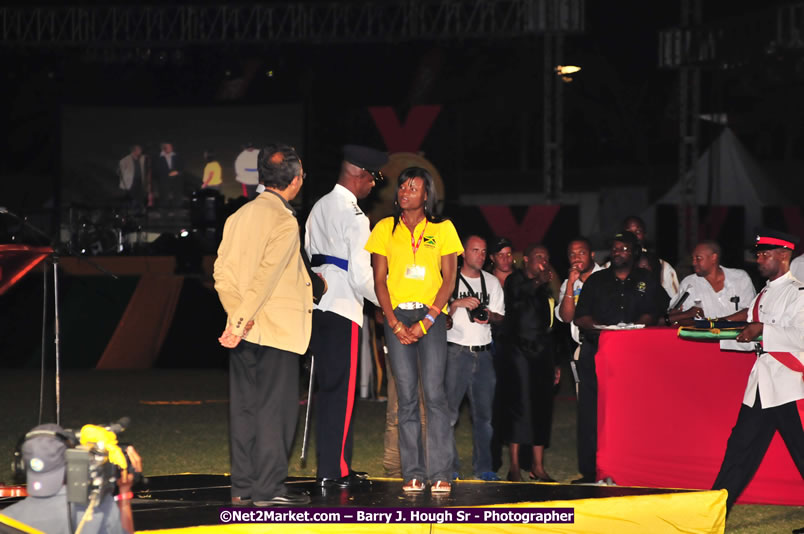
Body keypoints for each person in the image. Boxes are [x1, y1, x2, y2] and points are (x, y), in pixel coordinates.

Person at [213, 143, 314, 507]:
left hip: (242, 330)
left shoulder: (238, 216)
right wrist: (240, 321)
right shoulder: (284, 220)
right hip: (274, 330)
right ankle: (267, 490)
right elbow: (266, 277)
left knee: (245, 409)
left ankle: (242, 486)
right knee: (275, 412)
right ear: (295, 181)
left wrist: (236, 318)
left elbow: (221, 274)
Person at [365, 166, 462, 494]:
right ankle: (414, 473)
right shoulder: (384, 228)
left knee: (434, 396)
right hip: (396, 318)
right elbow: (379, 280)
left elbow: (449, 279)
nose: (405, 191)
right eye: (402, 186)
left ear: (426, 195)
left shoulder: (444, 229)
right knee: (405, 398)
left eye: (413, 187)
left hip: (431, 319)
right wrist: (393, 322)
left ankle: (441, 473)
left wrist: (428, 320)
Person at [304, 144, 387, 488]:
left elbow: (309, 255)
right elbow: (361, 276)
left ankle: (334, 466)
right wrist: (387, 302)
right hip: (343, 309)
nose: (373, 186)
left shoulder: (318, 207)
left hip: (318, 307)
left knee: (329, 390)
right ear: (359, 175)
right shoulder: (356, 217)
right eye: (372, 179)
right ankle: (334, 471)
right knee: (343, 393)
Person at [712, 229, 804, 512]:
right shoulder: (763, 294)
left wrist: (762, 329)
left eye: (765, 254)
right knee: (739, 450)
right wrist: (715, 332)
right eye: (758, 254)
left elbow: (800, 335)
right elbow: (751, 336)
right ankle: (712, 512)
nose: (759, 259)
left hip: (790, 387)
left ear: (784, 256)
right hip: (763, 385)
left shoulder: (798, 293)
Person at [572, 231, 662, 484]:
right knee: (591, 413)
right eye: (614, 248)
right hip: (597, 353)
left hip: (634, 357)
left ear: (634, 252)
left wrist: (632, 330)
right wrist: (605, 329)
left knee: (632, 414)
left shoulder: (647, 279)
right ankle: (590, 471)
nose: (618, 252)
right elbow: (581, 317)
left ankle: (630, 467)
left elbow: (655, 313)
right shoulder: (597, 281)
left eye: (624, 248)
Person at [0, 424, 142, 534]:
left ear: (20, 466)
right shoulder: (99, 512)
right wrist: (124, 495)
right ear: (73, 463)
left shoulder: (5, 520)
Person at [445, 235, 505, 481]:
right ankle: (449, 468)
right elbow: (435, 313)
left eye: (483, 251)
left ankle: (484, 468)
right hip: (455, 352)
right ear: (463, 253)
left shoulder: (491, 282)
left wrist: (490, 316)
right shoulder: (448, 280)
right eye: (475, 250)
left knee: (485, 417)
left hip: (483, 354)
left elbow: (501, 316)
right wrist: (456, 303)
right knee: (448, 415)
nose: (480, 255)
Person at [501, 244, 559, 482]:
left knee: (542, 408)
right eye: (538, 257)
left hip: (542, 353)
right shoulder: (515, 280)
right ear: (526, 260)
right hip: (518, 353)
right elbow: (516, 302)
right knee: (519, 406)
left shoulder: (546, 289)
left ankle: (537, 466)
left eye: (546, 257)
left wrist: (555, 362)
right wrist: (537, 282)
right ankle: (514, 467)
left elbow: (551, 327)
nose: (543, 261)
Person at [666, 240, 755, 326]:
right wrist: (691, 317)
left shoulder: (740, 277)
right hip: (705, 339)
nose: (693, 263)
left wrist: (718, 323)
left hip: (737, 339)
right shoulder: (689, 283)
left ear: (713, 258)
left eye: (698, 258)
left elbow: (751, 311)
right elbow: (675, 317)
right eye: (692, 258)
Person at [556, 237, 604, 346]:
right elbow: (566, 317)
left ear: (592, 254)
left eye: (582, 253)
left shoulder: (606, 277)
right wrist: (570, 284)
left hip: (605, 342)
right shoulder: (568, 284)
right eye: (572, 255)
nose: (576, 258)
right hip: (582, 346)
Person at [622, 215, 680, 300]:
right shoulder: (608, 267)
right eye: (628, 231)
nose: (633, 236)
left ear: (645, 235)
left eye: (638, 231)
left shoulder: (664, 268)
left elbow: (676, 303)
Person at [117, 144, 147, 212]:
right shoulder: (125, 160)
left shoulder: (142, 158)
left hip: (140, 181)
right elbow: (119, 171)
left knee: (140, 197)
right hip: (130, 182)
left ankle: (139, 211)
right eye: (139, 150)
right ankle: (130, 211)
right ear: (134, 151)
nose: (140, 151)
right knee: (131, 198)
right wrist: (125, 178)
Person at [153, 142, 183, 208]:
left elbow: (181, 166)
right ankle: (164, 211)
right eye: (169, 147)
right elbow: (156, 170)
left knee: (177, 197)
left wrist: (177, 172)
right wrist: (167, 175)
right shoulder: (158, 157)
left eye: (171, 146)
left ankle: (177, 210)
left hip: (176, 180)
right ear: (164, 148)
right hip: (164, 180)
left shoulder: (176, 155)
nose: (171, 148)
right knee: (164, 197)